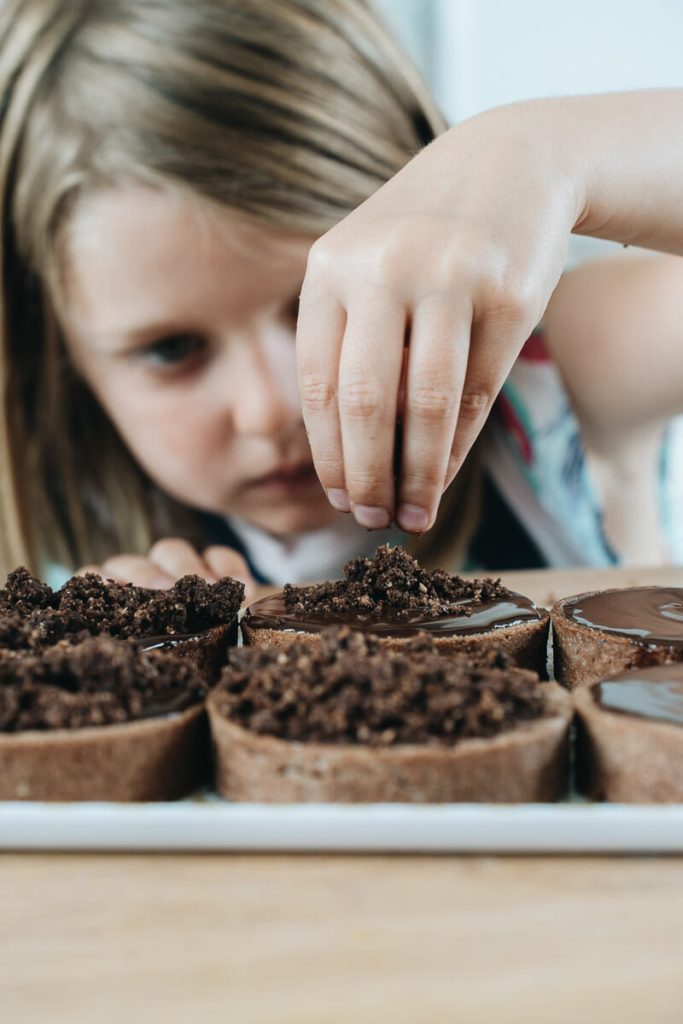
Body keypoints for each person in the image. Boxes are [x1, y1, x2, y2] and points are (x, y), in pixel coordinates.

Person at [1, 0, 682, 597]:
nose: (269, 410)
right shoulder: (67, 514)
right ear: (61, 354)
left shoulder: (555, 362)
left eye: (318, 305)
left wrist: (548, 152)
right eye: (171, 349)